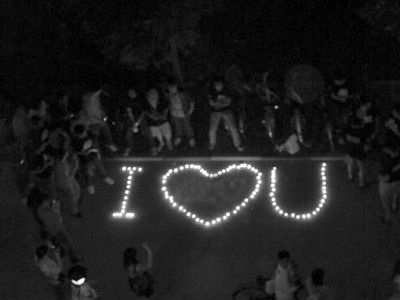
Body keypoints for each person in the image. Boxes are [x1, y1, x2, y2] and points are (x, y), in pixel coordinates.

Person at [70, 121, 114, 195]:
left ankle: (104, 177)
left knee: (100, 167)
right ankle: (90, 185)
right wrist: (83, 153)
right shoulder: (75, 141)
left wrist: (95, 149)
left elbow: (95, 143)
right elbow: (75, 152)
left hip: (93, 156)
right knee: (87, 173)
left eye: (85, 132)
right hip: (84, 159)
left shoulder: (89, 135)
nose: (85, 134)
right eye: (83, 133)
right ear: (78, 134)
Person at [37, 195, 80, 264]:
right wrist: (55, 209)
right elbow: (56, 217)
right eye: (46, 201)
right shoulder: (44, 211)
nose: (48, 202)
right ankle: (71, 258)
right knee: (67, 243)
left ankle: (71, 257)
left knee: (66, 243)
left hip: (57, 229)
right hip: (57, 230)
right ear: (43, 202)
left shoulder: (43, 210)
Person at [207, 77, 244, 152]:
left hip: (226, 111)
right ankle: (212, 143)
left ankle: (238, 144)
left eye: (220, 84)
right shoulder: (211, 92)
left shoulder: (227, 91)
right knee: (212, 129)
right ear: (214, 85)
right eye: (217, 85)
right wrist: (223, 102)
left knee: (233, 128)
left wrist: (217, 103)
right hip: (215, 112)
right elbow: (212, 104)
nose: (219, 86)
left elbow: (228, 102)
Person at [166, 80, 196, 148]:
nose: (172, 89)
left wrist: (191, 109)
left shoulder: (182, 94)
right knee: (177, 126)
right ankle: (178, 137)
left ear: (176, 87)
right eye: (170, 88)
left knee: (187, 126)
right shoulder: (168, 94)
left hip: (184, 112)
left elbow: (191, 100)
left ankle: (191, 138)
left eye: (173, 87)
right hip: (174, 113)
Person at [143, 87, 172, 155]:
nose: (152, 96)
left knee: (167, 133)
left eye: (154, 94)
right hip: (152, 123)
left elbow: (165, 112)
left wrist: (160, 117)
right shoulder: (146, 104)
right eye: (150, 94)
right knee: (157, 135)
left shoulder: (162, 102)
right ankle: (161, 144)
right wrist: (153, 117)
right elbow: (146, 113)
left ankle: (168, 141)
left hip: (163, 120)